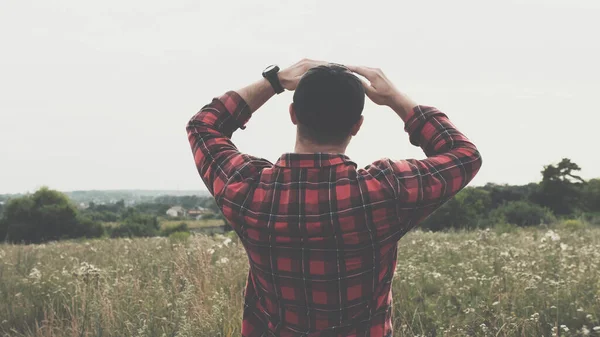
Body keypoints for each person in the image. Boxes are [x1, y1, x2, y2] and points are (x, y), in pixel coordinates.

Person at [186, 59, 482, 337]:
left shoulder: (248, 188)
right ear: (357, 125)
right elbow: (464, 155)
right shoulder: (383, 192)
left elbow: (204, 126)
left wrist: (273, 81)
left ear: (293, 114)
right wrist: (394, 98)